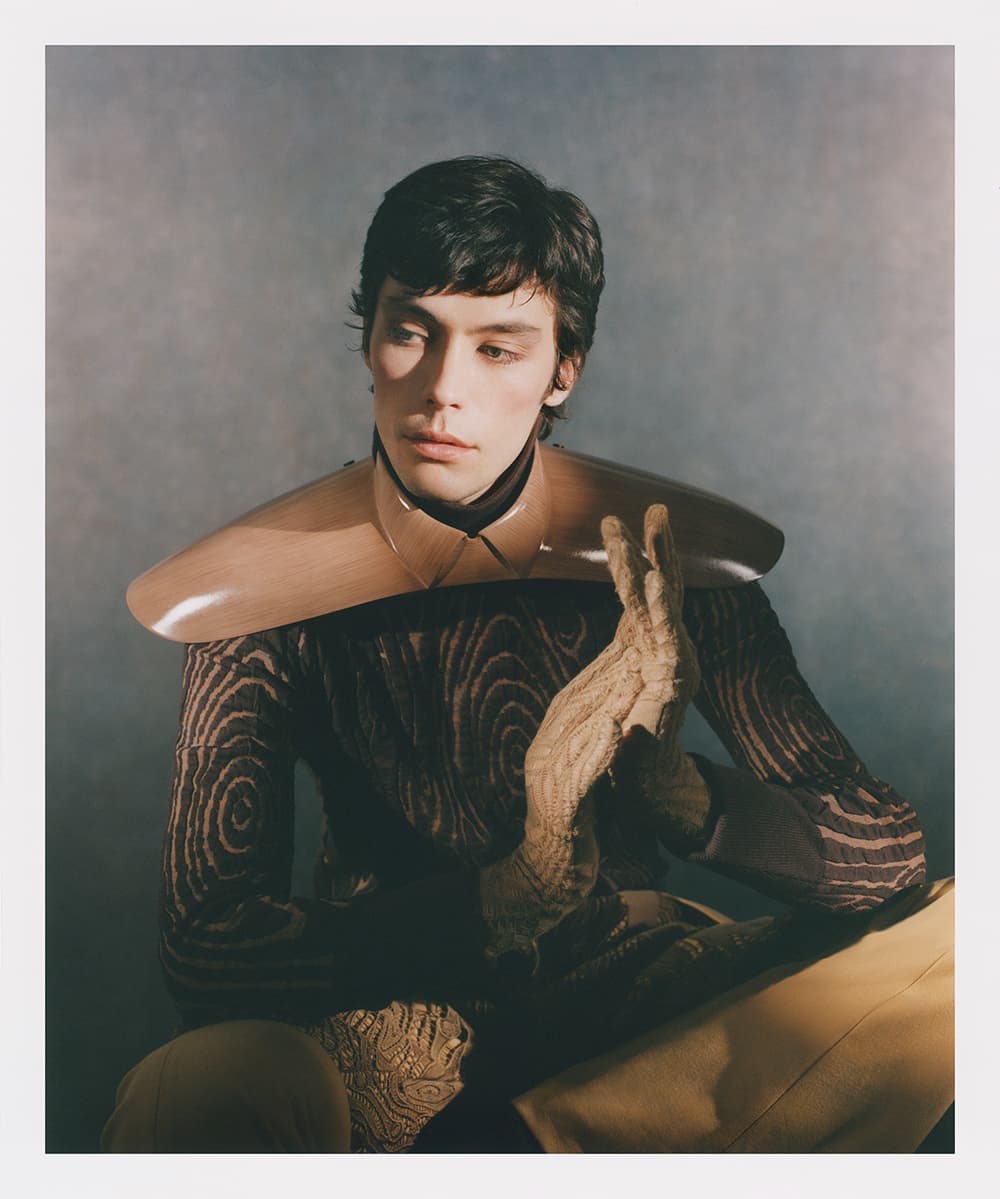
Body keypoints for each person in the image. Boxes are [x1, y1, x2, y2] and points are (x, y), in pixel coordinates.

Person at [102, 156, 952, 1154]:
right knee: (200, 1082)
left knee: (963, 942)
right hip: (388, 1011)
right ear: (368, 340)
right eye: (410, 332)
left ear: (563, 368)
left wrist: (679, 792)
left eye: (498, 348)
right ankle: (580, 1142)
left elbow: (887, 853)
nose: (441, 390)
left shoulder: (665, 554)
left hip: (637, 988)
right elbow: (206, 950)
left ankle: (523, 1144)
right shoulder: (258, 588)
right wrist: (506, 891)